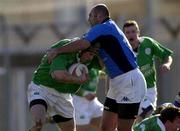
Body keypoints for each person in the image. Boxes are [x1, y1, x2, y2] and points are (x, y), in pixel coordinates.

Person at [47, 4, 147, 131]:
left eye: (90, 16)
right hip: (117, 83)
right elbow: (99, 59)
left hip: (129, 81)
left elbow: (83, 43)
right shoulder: (106, 29)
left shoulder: (103, 27)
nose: (88, 19)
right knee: (106, 128)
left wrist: (57, 51)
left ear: (98, 16)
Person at [28, 38, 100, 131]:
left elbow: (105, 65)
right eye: (90, 54)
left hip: (63, 95)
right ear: (81, 50)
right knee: (38, 121)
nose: (91, 58)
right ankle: (40, 123)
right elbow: (58, 75)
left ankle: (50, 117)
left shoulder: (89, 59)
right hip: (42, 88)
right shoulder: (65, 48)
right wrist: (78, 80)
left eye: (93, 55)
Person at [123, 20, 173, 123]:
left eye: (133, 31)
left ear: (138, 32)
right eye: (127, 33)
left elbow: (167, 56)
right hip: (132, 91)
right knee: (146, 115)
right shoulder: (123, 50)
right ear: (124, 35)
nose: (130, 35)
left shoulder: (148, 43)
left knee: (145, 116)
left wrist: (166, 64)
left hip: (150, 90)